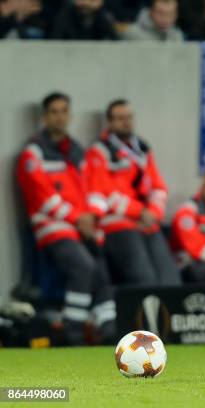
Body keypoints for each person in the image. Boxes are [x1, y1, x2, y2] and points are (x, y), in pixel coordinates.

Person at [16, 93, 115, 345]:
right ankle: (72, 331)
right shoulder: (33, 153)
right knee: (84, 266)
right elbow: (43, 198)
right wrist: (77, 218)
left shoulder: (77, 150)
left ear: (70, 115)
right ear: (44, 116)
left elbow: (95, 188)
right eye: (54, 111)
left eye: (64, 111)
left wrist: (92, 216)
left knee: (101, 270)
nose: (60, 116)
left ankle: (109, 331)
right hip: (53, 228)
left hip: (83, 225)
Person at [84, 99, 180, 286]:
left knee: (170, 279)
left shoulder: (142, 149)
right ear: (110, 122)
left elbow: (158, 187)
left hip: (147, 223)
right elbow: (104, 193)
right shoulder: (99, 151)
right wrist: (139, 212)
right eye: (120, 118)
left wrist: (154, 212)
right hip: (117, 224)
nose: (126, 122)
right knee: (144, 279)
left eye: (129, 117)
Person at [50, 0, 118, 40]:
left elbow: (114, 38)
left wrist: (95, 10)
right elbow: (56, 38)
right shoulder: (65, 14)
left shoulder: (101, 16)